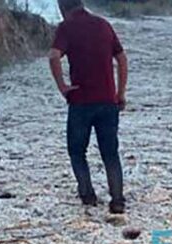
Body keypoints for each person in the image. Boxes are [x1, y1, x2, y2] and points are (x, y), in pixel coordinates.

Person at [48, 0, 129, 214]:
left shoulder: (66, 27)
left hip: (80, 101)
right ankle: (118, 200)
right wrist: (120, 92)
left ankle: (88, 195)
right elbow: (121, 59)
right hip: (107, 101)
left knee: (77, 152)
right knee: (110, 153)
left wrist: (62, 86)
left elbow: (54, 56)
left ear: (61, 7)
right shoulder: (103, 24)